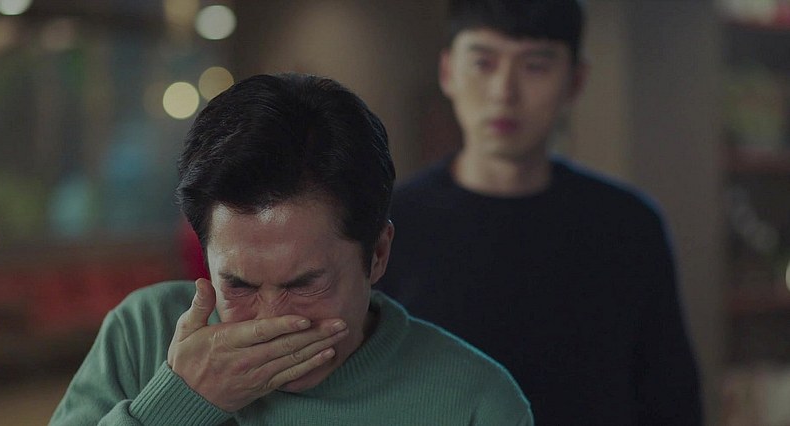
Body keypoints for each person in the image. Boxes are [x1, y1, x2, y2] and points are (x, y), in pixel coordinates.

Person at [50, 73, 533, 425]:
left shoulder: (475, 401)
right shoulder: (142, 335)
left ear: (378, 254)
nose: (271, 320)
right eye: (239, 285)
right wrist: (178, 402)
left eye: (304, 285)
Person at [376, 1, 703, 425]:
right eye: (483, 63)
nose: (504, 92)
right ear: (448, 71)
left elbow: (672, 400)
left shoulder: (628, 226)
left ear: (575, 81)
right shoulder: (390, 225)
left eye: (535, 66)